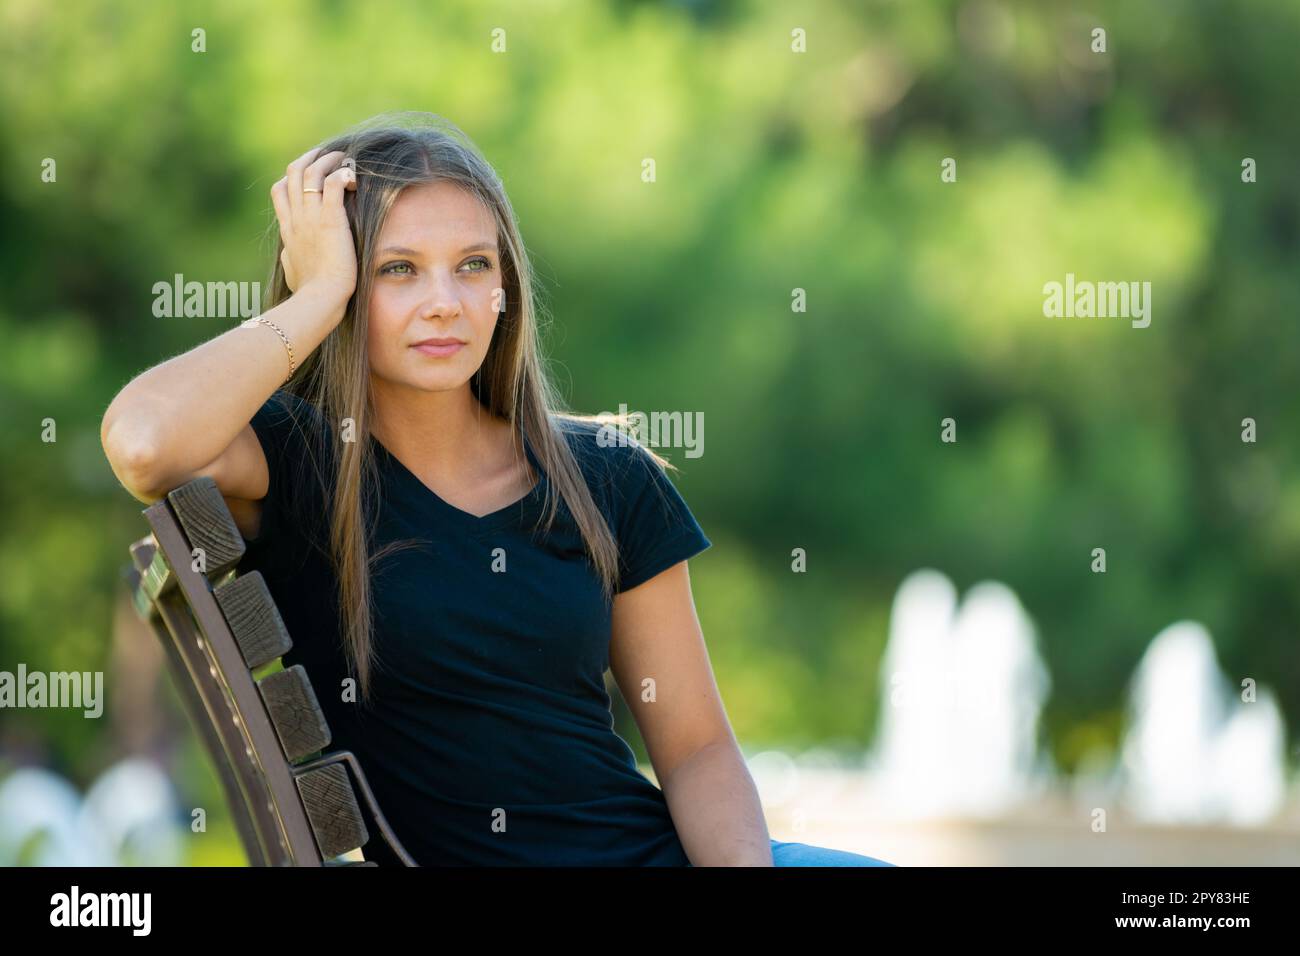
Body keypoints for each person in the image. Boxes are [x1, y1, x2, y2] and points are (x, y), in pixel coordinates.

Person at [101, 111, 896, 868]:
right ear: (343, 285)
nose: (444, 301)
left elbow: (697, 750)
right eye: (397, 269)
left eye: (473, 265)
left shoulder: (606, 476)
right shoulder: (303, 458)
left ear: (505, 286)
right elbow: (143, 442)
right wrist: (313, 300)